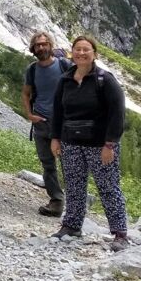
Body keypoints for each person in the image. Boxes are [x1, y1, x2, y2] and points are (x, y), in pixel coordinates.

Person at [50, 35, 129, 251]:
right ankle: (72, 226)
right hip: (71, 142)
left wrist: (110, 144)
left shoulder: (105, 80)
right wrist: (55, 138)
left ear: (94, 54)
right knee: (74, 185)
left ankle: (120, 233)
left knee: (108, 187)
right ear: (72, 53)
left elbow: (117, 114)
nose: (81, 53)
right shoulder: (65, 80)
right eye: (78, 50)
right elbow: (58, 112)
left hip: (100, 144)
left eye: (86, 50)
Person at [21, 31, 71, 217]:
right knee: (48, 164)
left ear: (50, 45)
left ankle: (74, 203)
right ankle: (57, 202)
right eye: (37, 45)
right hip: (41, 123)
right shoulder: (32, 70)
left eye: (44, 44)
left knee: (69, 164)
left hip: (64, 124)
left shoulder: (64, 65)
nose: (41, 47)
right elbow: (26, 93)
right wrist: (30, 114)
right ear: (33, 49)